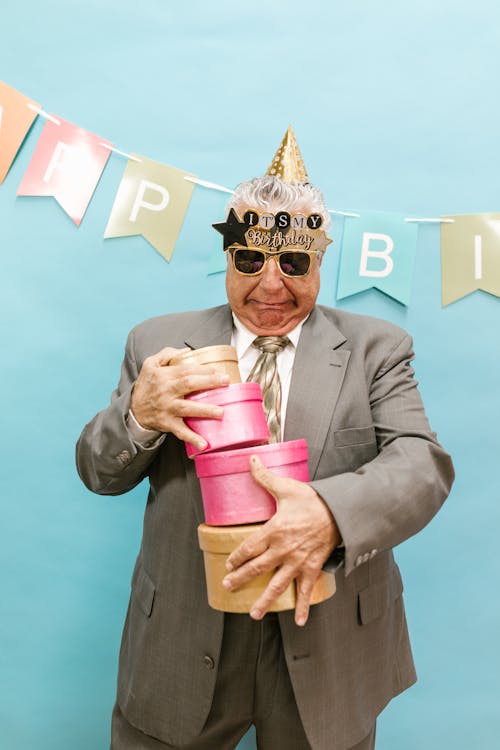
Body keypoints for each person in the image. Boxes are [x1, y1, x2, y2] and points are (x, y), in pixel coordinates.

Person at [76, 128, 454, 750]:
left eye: (294, 263)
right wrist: (139, 415)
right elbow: (98, 471)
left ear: (320, 261)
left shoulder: (377, 349)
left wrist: (331, 515)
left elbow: (422, 466)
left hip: (325, 635)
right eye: (250, 260)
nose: (271, 285)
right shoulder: (157, 344)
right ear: (227, 257)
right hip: (185, 635)